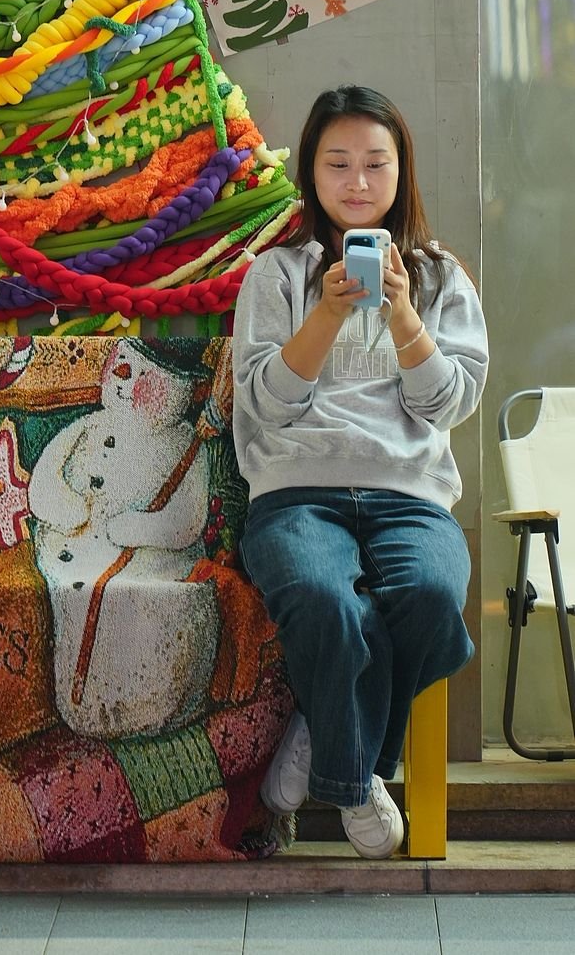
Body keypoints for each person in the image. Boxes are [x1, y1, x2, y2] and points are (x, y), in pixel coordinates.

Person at [232, 84, 487, 859]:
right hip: (294, 495)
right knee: (320, 597)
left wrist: (405, 315)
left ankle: (325, 742)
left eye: (375, 164)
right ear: (310, 174)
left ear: (400, 173)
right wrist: (327, 315)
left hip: (409, 496)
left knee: (433, 599)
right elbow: (266, 406)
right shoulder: (274, 275)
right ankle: (359, 779)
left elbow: (448, 404)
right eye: (336, 163)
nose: (356, 182)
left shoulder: (440, 278)